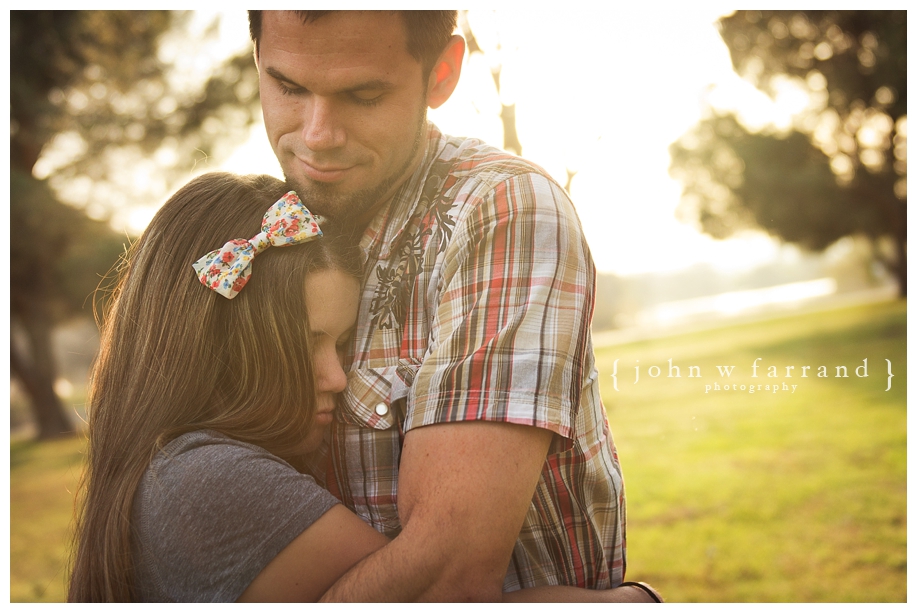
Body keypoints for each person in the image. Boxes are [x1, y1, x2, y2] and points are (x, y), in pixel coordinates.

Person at [67, 171, 659, 603]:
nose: (336, 377)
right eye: (304, 347)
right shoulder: (211, 482)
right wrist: (631, 603)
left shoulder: (162, 471)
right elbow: (435, 595)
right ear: (218, 347)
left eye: (343, 345)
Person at [249, 10, 638, 601]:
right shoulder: (254, 229)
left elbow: (448, 574)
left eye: (364, 94)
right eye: (288, 87)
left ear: (443, 73)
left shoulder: (501, 210)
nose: (317, 134)